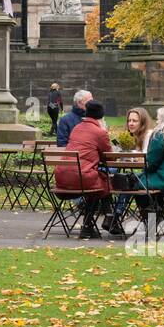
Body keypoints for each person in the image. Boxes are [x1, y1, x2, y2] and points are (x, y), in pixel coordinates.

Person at [52, 100, 113, 238]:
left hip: (61, 179)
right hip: (80, 179)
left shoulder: (77, 128)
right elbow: (109, 158)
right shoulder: (100, 132)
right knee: (104, 182)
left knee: (95, 181)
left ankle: (89, 226)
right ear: (101, 117)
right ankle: (109, 217)